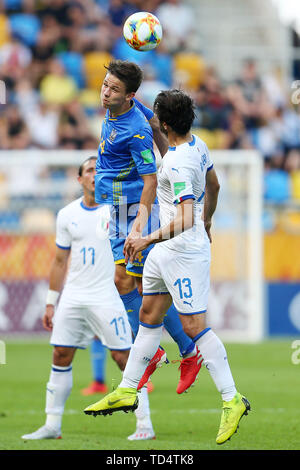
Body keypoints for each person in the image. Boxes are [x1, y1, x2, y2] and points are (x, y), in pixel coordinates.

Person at [84, 90, 251, 446]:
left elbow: (186, 217)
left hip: (181, 252)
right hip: (166, 251)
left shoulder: (176, 164)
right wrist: (209, 219)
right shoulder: (198, 145)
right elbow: (215, 185)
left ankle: (232, 398)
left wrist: (147, 239)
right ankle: (128, 389)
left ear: (163, 122)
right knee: (147, 313)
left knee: (193, 326)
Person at [21, 157, 155, 441]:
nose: (95, 175)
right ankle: (52, 425)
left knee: (123, 358)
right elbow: (59, 261)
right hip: (73, 296)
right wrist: (50, 300)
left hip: (107, 296)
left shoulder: (117, 212)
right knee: (60, 354)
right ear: (79, 179)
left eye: (99, 170)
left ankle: (145, 425)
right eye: (90, 170)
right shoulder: (66, 214)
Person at [91, 59, 202, 397]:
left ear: (130, 96)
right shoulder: (122, 108)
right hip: (117, 207)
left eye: (113, 89)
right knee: (126, 282)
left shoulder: (134, 130)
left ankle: (187, 351)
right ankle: (162, 351)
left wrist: (140, 221)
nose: (105, 92)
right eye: (105, 85)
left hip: (135, 210)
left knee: (145, 290)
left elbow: (150, 178)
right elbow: (152, 118)